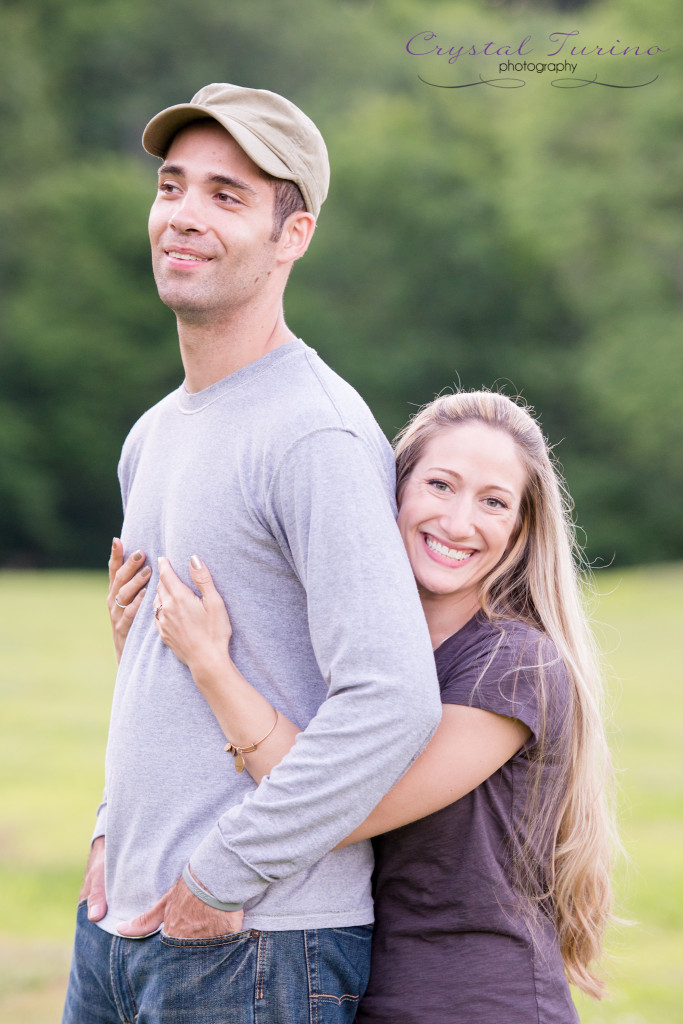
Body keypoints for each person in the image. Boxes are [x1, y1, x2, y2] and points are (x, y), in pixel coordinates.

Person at [62, 83, 441, 1024]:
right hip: (122, 928)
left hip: (256, 943)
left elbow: (391, 701)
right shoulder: (153, 432)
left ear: (292, 235)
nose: (183, 216)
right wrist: (114, 836)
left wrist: (222, 875)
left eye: (227, 197)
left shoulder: (313, 434)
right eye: (172, 186)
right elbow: (154, 663)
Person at [149, 390, 616, 1023]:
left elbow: (331, 807)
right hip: (362, 989)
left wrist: (210, 664)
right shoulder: (365, 655)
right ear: (391, 492)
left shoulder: (512, 666)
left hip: (474, 1003)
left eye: (493, 502)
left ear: (521, 530)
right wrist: (142, 648)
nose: (457, 523)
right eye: (440, 485)